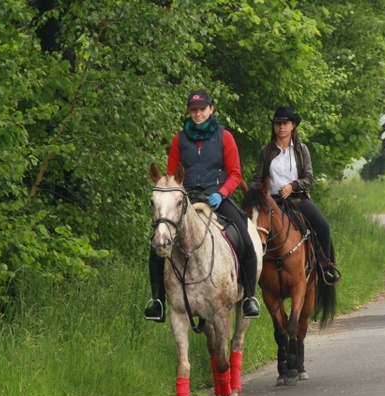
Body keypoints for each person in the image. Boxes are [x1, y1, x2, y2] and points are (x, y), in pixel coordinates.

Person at [144, 89, 261, 322]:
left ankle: (248, 297)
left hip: (217, 196)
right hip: (186, 199)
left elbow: (235, 173)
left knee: (245, 238)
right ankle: (157, 301)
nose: (198, 114)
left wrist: (222, 193)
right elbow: (171, 176)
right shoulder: (179, 139)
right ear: (189, 112)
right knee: (158, 244)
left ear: (211, 110)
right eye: (194, 110)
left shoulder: (224, 137)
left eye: (202, 109)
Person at [251, 106, 341, 285]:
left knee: (323, 226)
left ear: (293, 126)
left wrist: (292, 186)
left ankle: (324, 268)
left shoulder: (301, 150)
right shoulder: (266, 151)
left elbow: (309, 178)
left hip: (297, 199)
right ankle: (250, 273)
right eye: (278, 124)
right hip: (272, 202)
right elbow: (256, 178)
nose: (281, 127)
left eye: (285, 123)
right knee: (250, 228)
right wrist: (257, 194)